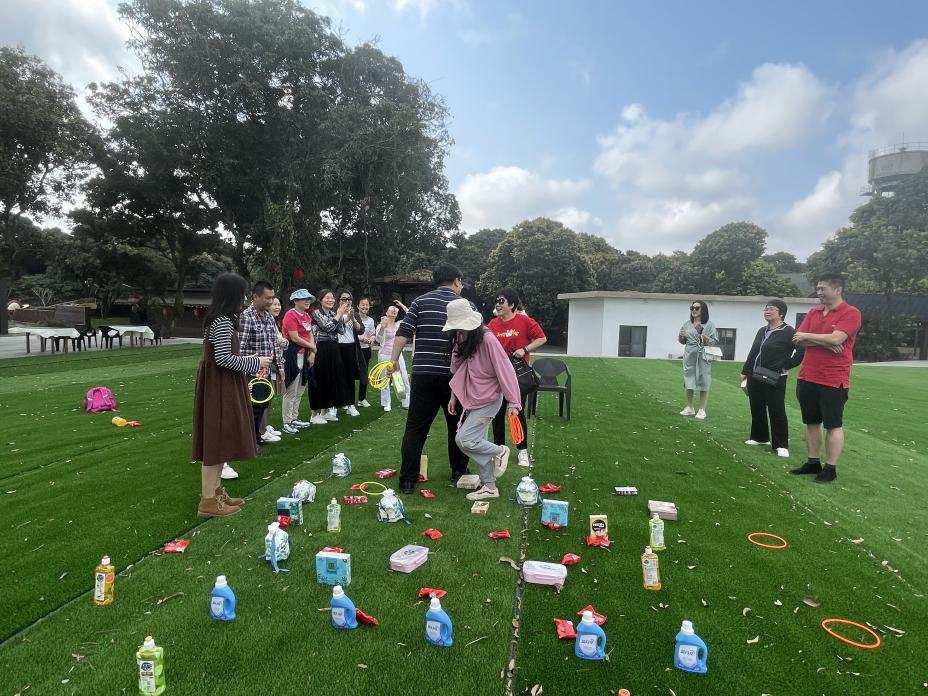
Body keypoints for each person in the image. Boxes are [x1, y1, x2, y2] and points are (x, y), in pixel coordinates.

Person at [192, 273, 272, 517]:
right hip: (220, 387)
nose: (244, 299)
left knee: (221, 441)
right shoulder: (223, 322)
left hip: (221, 384)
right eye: (242, 294)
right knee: (215, 443)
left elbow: (223, 357)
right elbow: (223, 359)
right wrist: (255, 361)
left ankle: (216, 493)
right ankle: (208, 501)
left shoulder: (221, 320)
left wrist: (247, 359)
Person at [387, 263, 471, 494]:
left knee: (415, 428)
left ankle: (407, 479)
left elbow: (403, 333)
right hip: (454, 377)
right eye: (461, 282)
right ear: (456, 280)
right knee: (457, 426)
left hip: (423, 374)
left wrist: (393, 361)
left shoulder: (419, 302)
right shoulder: (465, 305)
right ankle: (459, 471)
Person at [445, 298, 522, 501]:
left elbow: (505, 369)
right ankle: (489, 487)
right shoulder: (462, 337)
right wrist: (454, 395)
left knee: (465, 440)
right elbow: (457, 368)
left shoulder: (487, 339)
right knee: (478, 441)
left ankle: (500, 451)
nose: (457, 330)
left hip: (489, 399)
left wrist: (514, 402)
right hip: (472, 396)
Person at [789, 275, 862, 483]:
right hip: (807, 376)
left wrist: (809, 337)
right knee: (811, 422)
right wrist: (825, 342)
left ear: (838, 290)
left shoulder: (851, 313)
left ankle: (830, 468)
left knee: (833, 425)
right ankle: (813, 462)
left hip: (833, 379)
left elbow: (837, 338)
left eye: (823, 288)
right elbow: (797, 339)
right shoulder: (814, 312)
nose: (819, 292)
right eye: (818, 288)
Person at [488, 287, 546, 467]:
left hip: (516, 377)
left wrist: (525, 349)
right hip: (497, 377)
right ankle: (500, 451)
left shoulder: (524, 321)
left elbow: (541, 338)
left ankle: (522, 451)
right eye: (497, 301)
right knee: (497, 415)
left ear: (512, 304)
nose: (498, 304)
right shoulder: (492, 324)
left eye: (502, 301)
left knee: (517, 414)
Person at [740, 300, 805, 458]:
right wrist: (745, 371)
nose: (767, 312)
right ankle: (760, 437)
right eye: (766, 309)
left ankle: (781, 444)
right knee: (757, 406)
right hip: (756, 374)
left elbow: (801, 352)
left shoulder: (788, 331)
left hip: (775, 376)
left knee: (776, 409)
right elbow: (753, 351)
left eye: (771, 309)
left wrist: (785, 366)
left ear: (781, 313)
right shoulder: (762, 330)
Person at [239, 281, 285, 452]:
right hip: (252, 373)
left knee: (263, 406)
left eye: (272, 298)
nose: (270, 301)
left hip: (266, 372)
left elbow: (274, 344)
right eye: (267, 298)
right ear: (255, 297)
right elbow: (239, 349)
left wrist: (280, 367)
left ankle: (256, 437)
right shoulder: (247, 317)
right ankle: (250, 442)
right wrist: (252, 364)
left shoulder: (269, 317)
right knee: (253, 408)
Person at [309, 289, 352, 424]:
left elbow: (341, 330)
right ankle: (314, 414)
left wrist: (341, 316)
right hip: (320, 348)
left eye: (332, 298)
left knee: (331, 379)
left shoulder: (334, 313)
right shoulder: (316, 313)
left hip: (333, 347)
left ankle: (326, 411)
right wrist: (339, 315)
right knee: (320, 379)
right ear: (320, 300)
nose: (330, 300)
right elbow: (327, 327)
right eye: (327, 298)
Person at [280, 289, 316, 434]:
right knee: (291, 389)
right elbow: (294, 337)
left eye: (309, 299)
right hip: (293, 355)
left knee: (300, 389)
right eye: (304, 299)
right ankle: (287, 421)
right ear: (295, 301)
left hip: (305, 354)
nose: (307, 301)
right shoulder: (290, 315)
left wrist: (312, 351)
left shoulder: (306, 315)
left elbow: (310, 334)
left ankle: (294, 418)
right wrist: (312, 347)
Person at [678, 300, 718, 420]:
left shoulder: (709, 325)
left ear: (703, 310)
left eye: (697, 308)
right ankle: (689, 407)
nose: (694, 310)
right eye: (692, 308)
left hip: (703, 355)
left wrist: (703, 335)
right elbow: (682, 341)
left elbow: (714, 341)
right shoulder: (687, 324)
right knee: (688, 378)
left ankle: (702, 409)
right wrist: (680, 336)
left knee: (704, 379)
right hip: (689, 354)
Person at [258, 297, 288, 439]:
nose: (277, 307)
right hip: (266, 365)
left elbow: (282, 342)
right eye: (274, 304)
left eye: (278, 304)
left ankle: (265, 426)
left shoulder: (274, 322)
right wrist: (279, 341)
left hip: (275, 364)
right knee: (263, 398)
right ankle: (261, 430)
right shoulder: (263, 320)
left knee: (269, 398)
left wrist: (283, 342)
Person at [376, 304, 410, 411]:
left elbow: (410, 314)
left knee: (403, 378)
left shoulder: (399, 324)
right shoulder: (381, 325)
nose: (394, 310)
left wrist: (401, 304)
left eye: (395, 310)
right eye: (391, 309)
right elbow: (379, 340)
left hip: (398, 355)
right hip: (384, 355)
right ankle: (386, 403)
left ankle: (406, 401)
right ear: (386, 313)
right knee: (385, 379)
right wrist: (382, 328)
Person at [335, 289, 363, 417]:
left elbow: (360, 331)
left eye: (349, 299)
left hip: (351, 348)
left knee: (350, 377)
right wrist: (344, 316)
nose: (347, 301)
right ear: (339, 301)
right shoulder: (334, 314)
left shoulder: (355, 314)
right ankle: (335, 405)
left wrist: (353, 319)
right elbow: (335, 328)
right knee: (337, 377)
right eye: (344, 299)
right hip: (337, 347)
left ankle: (351, 404)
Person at [356, 297, 376, 408]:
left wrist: (372, 339)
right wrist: (362, 338)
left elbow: (373, 333)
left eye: (367, 305)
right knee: (350, 374)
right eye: (362, 304)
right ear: (358, 306)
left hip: (366, 350)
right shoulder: (354, 318)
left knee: (364, 374)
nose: (365, 307)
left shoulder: (371, 320)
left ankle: (362, 398)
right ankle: (348, 402)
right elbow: (351, 334)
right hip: (354, 349)